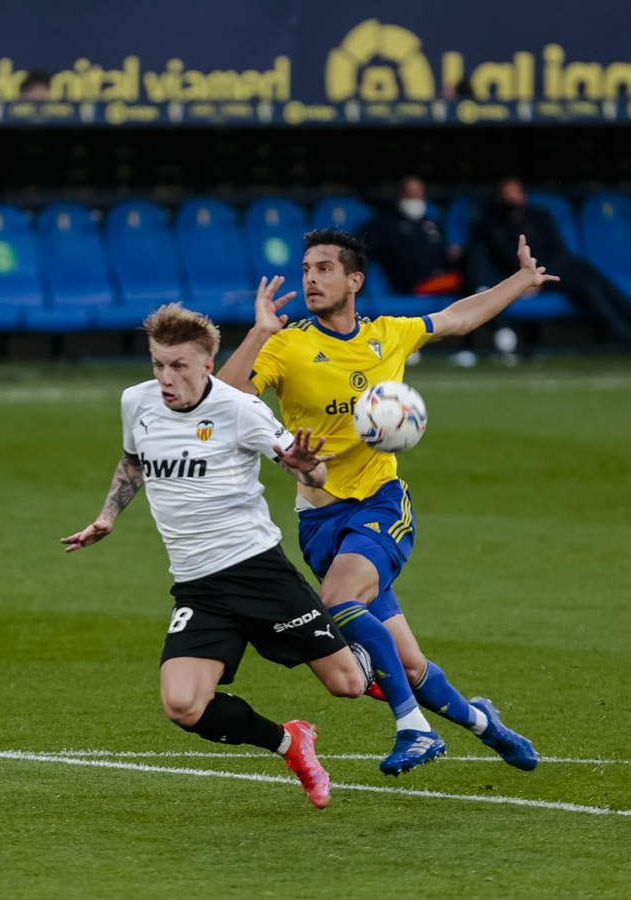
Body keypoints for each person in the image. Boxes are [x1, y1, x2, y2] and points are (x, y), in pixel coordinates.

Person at [217, 229, 546, 776]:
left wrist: (520, 280)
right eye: (305, 270)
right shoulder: (287, 344)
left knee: (337, 599)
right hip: (320, 521)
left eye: (324, 268)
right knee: (408, 664)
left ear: (355, 281)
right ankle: (485, 723)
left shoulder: (388, 335)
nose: (310, 279)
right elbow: (223, 400)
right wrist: (257, 334)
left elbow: (458, 317)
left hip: (381, 503)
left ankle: (412, 729)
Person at [62, 304, 364, 807]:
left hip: (259, 572)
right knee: (182, 705)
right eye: (158, 364)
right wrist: (108, 516)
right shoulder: (135, 402)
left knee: (348, 684)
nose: (165, 377)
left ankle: (379, 655)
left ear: (208, 363)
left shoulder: (240, 409)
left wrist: (308, 470)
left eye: (178, 365)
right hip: (198, 585)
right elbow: (134, 460)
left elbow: (310, 473)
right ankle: (292, 742)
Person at [467, 178, 631, 352]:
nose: (512, 199)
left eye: (516, 193)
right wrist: (525, 282)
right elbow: (488, 262)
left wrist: (542, 276)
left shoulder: (539, 216)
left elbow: (560, 252)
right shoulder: (490, 226)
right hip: (528, 281)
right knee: (590, 288)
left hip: (556, 270)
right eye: (507, 194)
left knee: (599, 283)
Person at [362, 176, 462, 295]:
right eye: (410, 194)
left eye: (419, 194)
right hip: (405, 285)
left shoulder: (431, 222)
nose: (415, 199)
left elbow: (445, 253)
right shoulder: (383, 223)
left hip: (438, 280)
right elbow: (371, 254)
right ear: (400, 195)